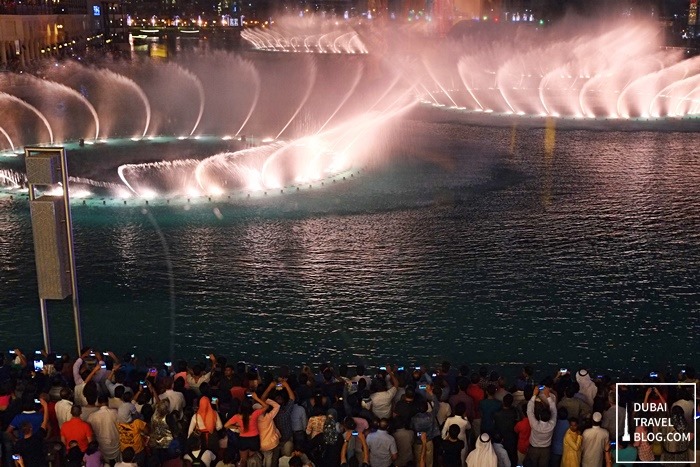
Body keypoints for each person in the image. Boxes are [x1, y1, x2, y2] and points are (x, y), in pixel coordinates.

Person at [225, 392, 268, 467]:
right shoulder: (255, 414)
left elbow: (226, 425)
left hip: (243, 440)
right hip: (254, 439)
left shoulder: (237, 417)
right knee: (252, 460)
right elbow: (266, 406)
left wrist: (236, 427)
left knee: (243, 460)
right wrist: (256, 398)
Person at [12, 398, 49, 467]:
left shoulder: (19, 444)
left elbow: (16, 458)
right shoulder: (38, 437)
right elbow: (45, 422)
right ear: (31, 428)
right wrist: (45, 406)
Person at [526, 386, 557, 467]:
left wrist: (534, 395)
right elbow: (554, 410)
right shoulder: (552, 424)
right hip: (546, 450)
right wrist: (548, 395)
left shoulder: (535, 425)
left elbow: (529, 411)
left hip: (534, 448)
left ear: (539, 416)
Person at [86, 394, 120, 463]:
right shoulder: (115, 413)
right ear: (108, 402)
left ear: (98, 403)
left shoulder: (92, 416)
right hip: (115, 443)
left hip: (102, 445)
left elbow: (90, 431)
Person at [494, 393, 518, 467]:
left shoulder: (497, 413)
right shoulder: (514, 413)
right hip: (511, 439)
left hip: (500, 439)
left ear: (503, 402)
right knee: (511, 458)